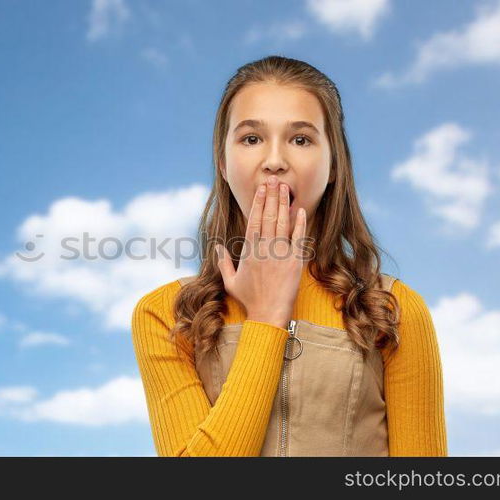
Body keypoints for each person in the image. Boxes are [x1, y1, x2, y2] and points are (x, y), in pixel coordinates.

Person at [131, 55, 447, 457]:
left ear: (334, 165)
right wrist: (266, 316)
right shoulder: (165, 315)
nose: (275, 161)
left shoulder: (395, 310)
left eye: (301, 139)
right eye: (251, 138)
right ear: (223, 164)